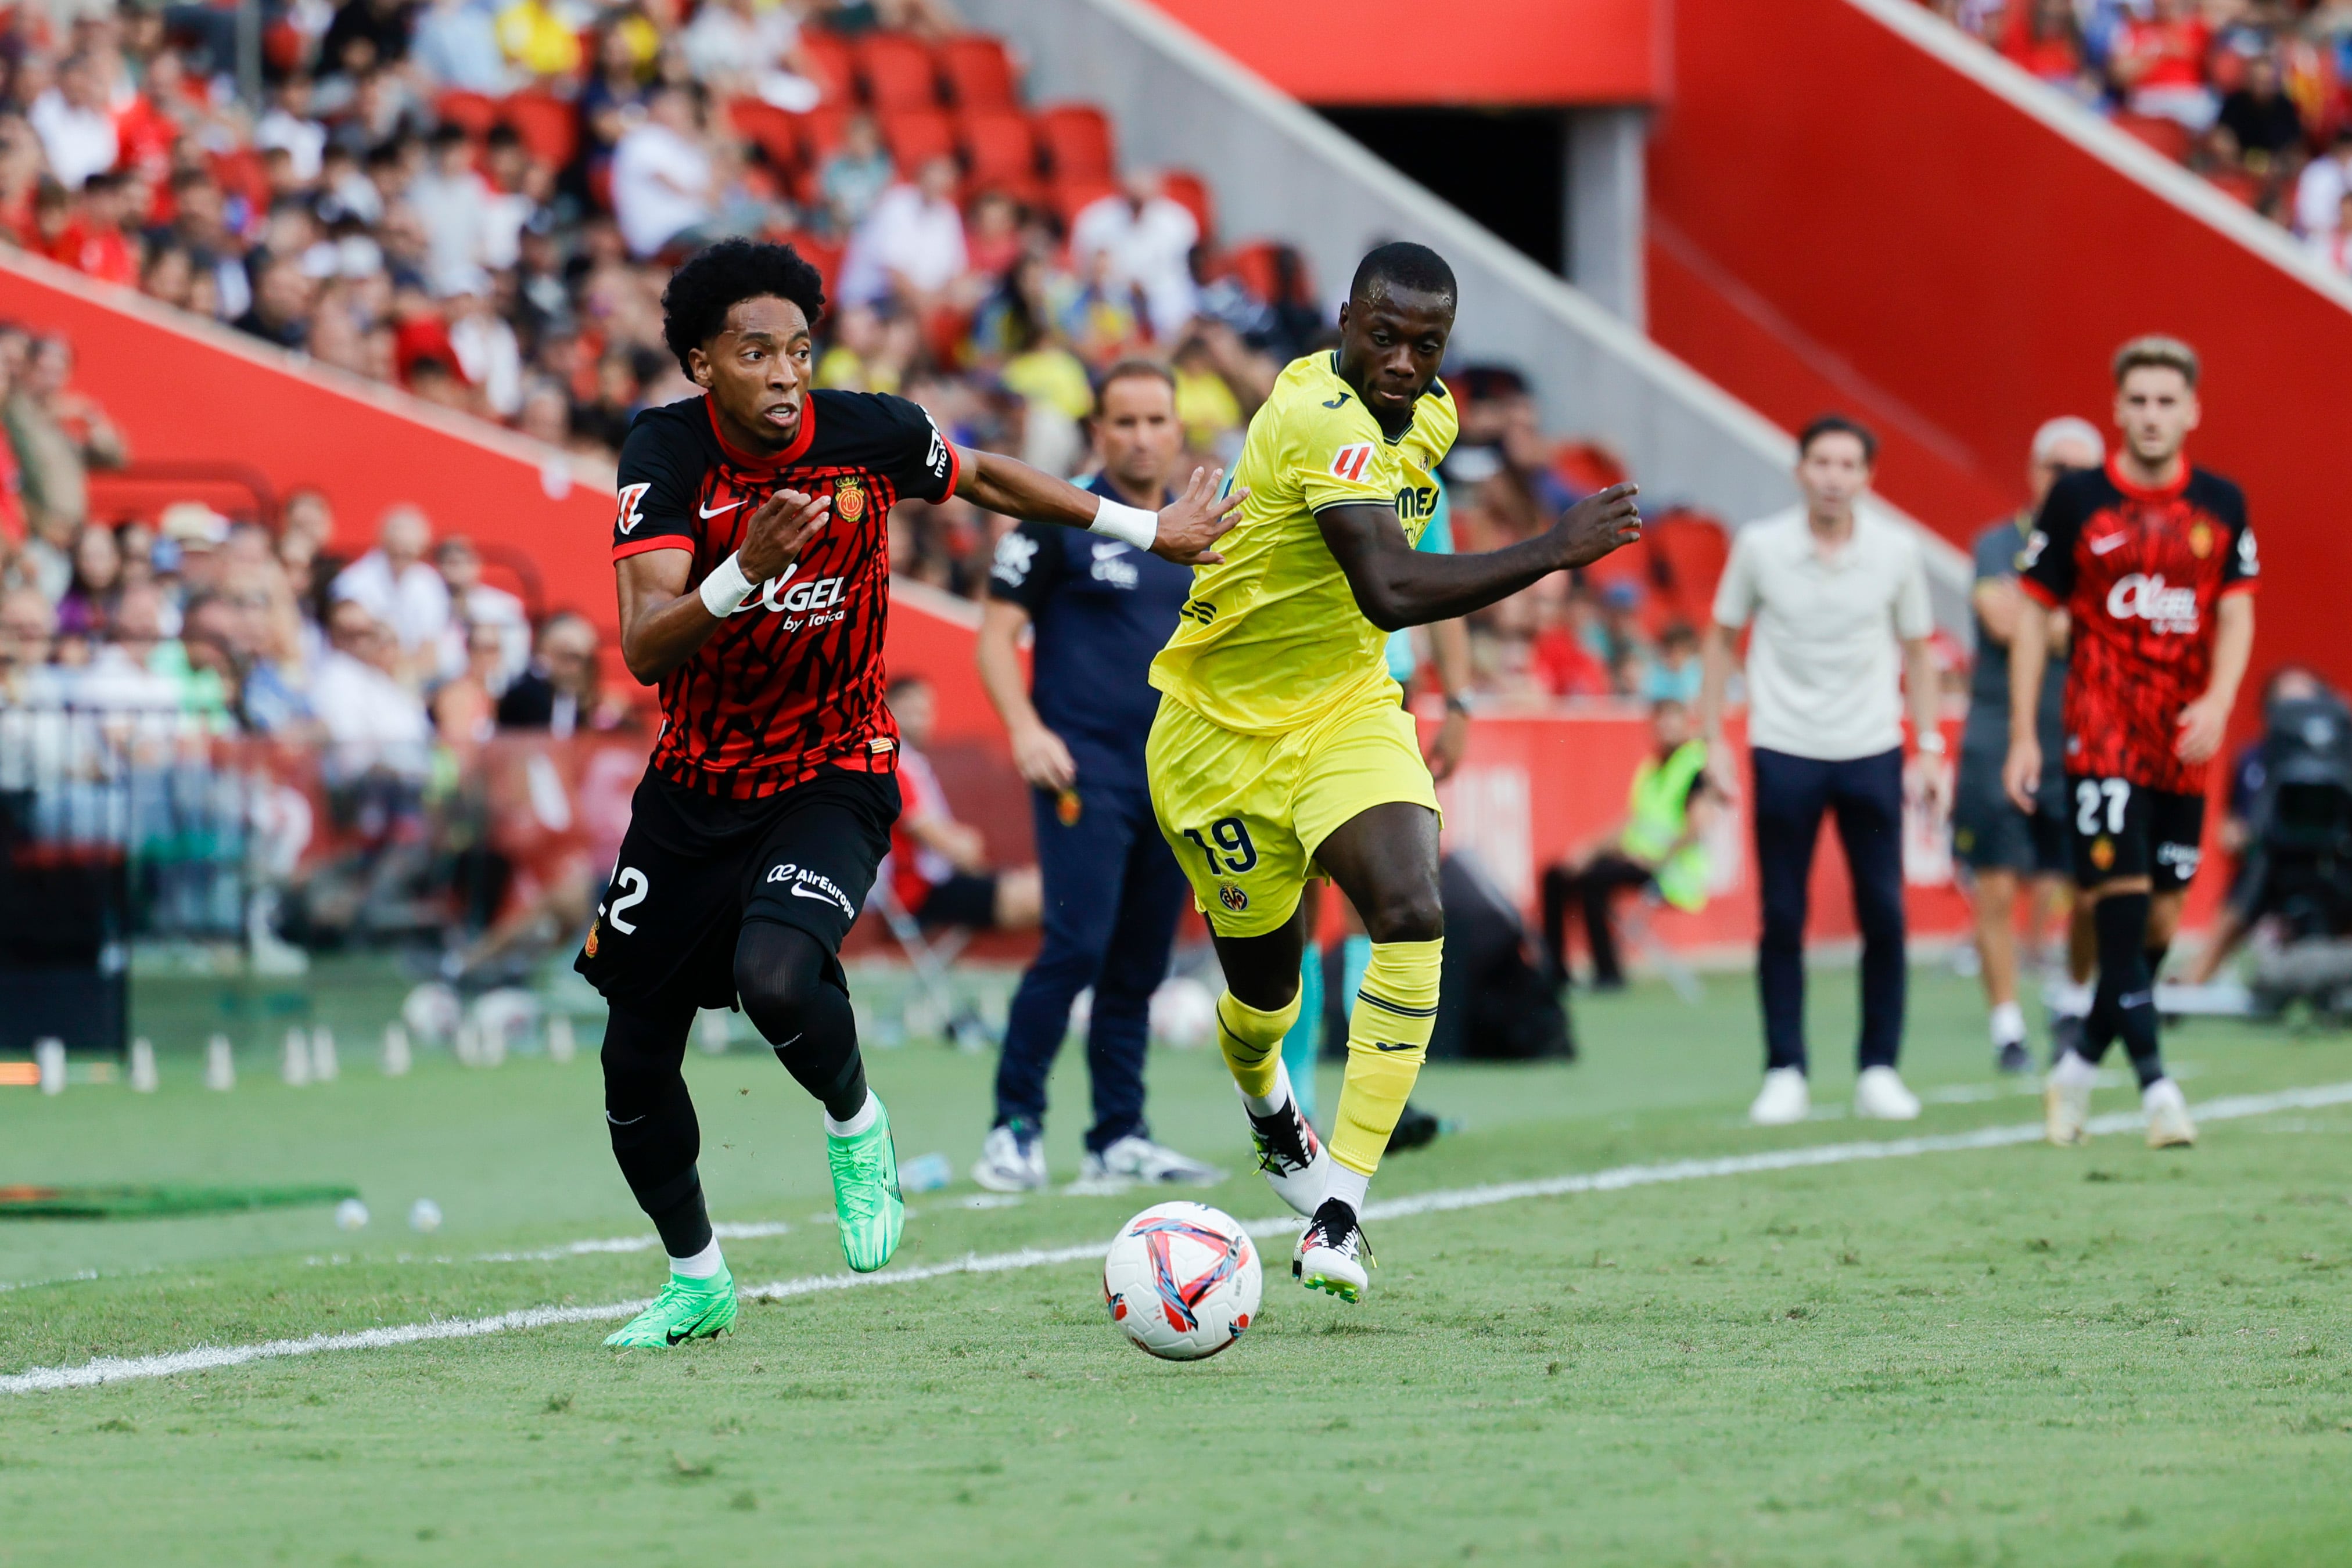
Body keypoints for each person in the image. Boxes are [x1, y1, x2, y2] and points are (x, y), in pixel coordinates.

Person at [577, 239, 1238, 1349]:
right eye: (755, 353)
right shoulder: (664, 452)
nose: (786, 374)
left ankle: (857, 1123)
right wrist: (746, 571)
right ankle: (696, 1279)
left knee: (776, 976)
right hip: (691, 790)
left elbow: (981, 476)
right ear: (701, 364)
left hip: (835, 768)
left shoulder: (867, 430)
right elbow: (645, 646)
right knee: (633, 1062)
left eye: (798, 348)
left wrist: (1144, 528)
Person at [1145, 242, 1642, 1301]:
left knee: (1412, 906)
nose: (1404, 362)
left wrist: (1449, 688)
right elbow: (1384, 583)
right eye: (1383, 335)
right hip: (1212, 740)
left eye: (1426, 344)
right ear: (1341, 321)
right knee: (1264, 996)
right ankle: (1268, 1109)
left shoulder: (1434, 419)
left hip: (1344, 712)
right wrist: (1551, 550)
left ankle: (1339, 1211)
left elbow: (1417, 555)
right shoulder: (1314, 414)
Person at [2006, 336, 2257, 1150]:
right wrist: (2023, 734)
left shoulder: (2222, 504)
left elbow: (2235, 611)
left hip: (2183, 741)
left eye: (2165, 401)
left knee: (2157, 926)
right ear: (2118, 409)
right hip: (2101, 730)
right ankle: (2156, 1089)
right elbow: (2031, 621)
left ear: (2192, 411)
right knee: (2115, 913)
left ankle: (2076, 1069)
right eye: (2137, 401)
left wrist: (2220, 700)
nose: (2151, 415)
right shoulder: (2077, 499)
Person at [972, 359, 1216, 1192]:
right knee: (1074, 946)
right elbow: (995, 634)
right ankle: (1013, 1130)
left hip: (1175, 781)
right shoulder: (1057, 517)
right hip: (1084, 773)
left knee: (1142, 964)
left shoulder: (1207, 530)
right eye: (1126, 422)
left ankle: (1119, 1134)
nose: (1142, 436)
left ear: (1179, 430)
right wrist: (1025, 728)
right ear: (1098, 432)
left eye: (1157, 421)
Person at [1699, 415, 1944, 1128]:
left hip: (1870, 746)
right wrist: (1713, 738)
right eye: (1821, 463)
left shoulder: (1896, 551)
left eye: (1847, 465)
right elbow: (1720, 639)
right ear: (1799, 470)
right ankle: (1784, 1070)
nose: (1833, 477)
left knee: (1884, 912)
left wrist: (1927, 745)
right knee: (1781, 914)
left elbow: (1919, 651)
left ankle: (1878, 1069)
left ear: (1866, 477)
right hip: (1783, 746)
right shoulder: (1760, 546)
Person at [1954, 417, 2105, 1074]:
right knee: (1993, 886)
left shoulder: (2107, 547)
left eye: (2078, 471)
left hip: (2082, 733)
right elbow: (2002, 619)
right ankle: (2006, 1028)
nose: (2063, 481)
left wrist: (2043, 618)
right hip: (1997, 732)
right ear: (2032, 469)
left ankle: (2071, 1001)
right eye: (2054, 467)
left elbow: (2067, 627)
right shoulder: (1996, 542)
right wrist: (2070, 621)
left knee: (2091, 886)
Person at [1539, 697, 1718, 991]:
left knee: (1592, 882)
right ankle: (1555, 973)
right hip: (1639, 859)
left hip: (1671, 871)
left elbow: (1697, 827)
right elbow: (1633, 824)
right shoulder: (1652, 769)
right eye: (1660, 723)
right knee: (1557, 875)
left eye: (1672, 722)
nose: (1665, 730)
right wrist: (1588, 850)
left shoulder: (1695, 765)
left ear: (1686, 725)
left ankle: (1609, 972)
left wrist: (1657, 860)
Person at [880, 671, 1041, 930]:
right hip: (922, 892)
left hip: (942, 882)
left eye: (925, 711)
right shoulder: (892, 767)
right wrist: (966, 846)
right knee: (1048, 897)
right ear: (888, 709)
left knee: (1047, 889)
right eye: (911, 710)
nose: (921, 720)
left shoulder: (911, 765)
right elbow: (949, 845)